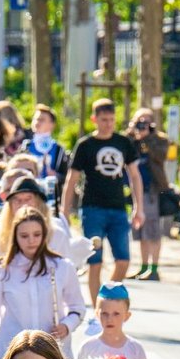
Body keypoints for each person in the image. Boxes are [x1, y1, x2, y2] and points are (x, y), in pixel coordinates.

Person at [0, 209, 86, 359]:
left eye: (37, 234)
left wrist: (66, 325)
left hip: (53, 354)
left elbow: (78, 307)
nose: (31, 241)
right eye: (24, 236)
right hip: (11, 355)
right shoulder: (2, 269)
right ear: (15, 236)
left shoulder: (62, 266)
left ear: (44, 234)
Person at [60, 99, 145, 306]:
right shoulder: (85, 145)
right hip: (92, 208)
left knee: (123, 260)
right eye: (104, 119)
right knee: (95, 261)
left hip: (117, 208)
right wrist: (64, 211)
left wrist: (138, 208)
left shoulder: (123, 143)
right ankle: (98, 309)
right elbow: (72, 179)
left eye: (111, 120)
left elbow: (134, 176)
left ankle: (105, 298)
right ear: (94, 119)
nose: (108, 124)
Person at [127, 107, 173, 279]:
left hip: (152, 189)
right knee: (140, 230)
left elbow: (161, 156)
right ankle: (144, 265)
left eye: (146, 121)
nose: (142, 125)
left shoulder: (159, 139)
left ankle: (154, 268)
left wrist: (148, 137)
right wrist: (133, 135)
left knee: (152, 229)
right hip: (135, 189)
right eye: (139, 121)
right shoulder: (131, 140)